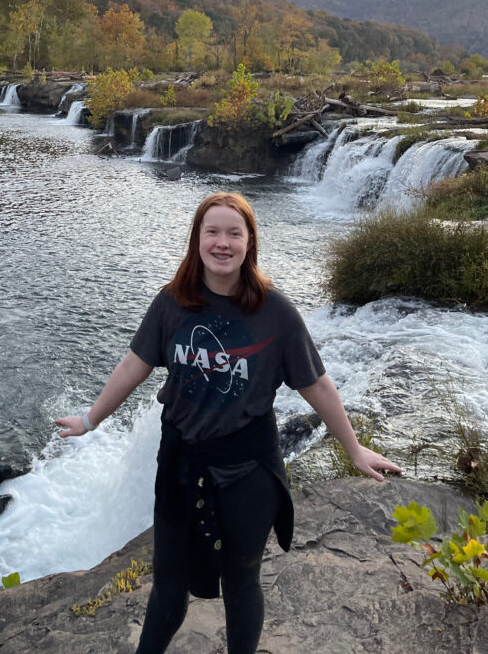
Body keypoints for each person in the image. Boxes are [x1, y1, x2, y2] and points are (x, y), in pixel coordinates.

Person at [55, 192, 401, 654]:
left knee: (242, 580)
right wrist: (90, 418)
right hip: (180, 462)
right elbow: (133, 365)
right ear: (196, 240)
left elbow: (315, 385)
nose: (223, 243)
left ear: (249, 242)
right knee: (168, 584)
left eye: (233, 233)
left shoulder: (275, 313)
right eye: (212, 232)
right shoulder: (172, 303)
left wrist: (354, 449)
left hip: (247, 469)